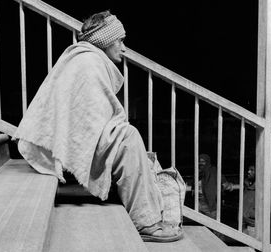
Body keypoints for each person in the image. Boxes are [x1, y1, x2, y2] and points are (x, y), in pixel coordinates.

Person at [13, 10, 183, 242]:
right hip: (59, 150)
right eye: (120, 41)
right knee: (128, 137)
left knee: (128, 141)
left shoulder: (85, 58)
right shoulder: (88, 62)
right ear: (104, 40)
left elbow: (92, 118)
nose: (124, 48)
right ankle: (146, 223)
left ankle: (147, 212)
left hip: (60, 143)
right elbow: (92, 123)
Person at [197, 154, 234, 219]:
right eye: (199, 161)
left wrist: (228, 185)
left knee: (212, 226)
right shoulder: (200, 173)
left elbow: (225, 183)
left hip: (209, 205)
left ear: (207, 162)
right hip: (203, 204)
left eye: (203, 161)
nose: (201, 163)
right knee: (206, 227)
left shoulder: (212, 171)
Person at [242, 164, 271, 237]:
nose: (248, 171)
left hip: (255, 227)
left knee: (255, 247)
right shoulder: (247, 186)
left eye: (252, 170)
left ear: (258, 172)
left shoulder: (262, 187)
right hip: (246, 225)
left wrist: (251, 214)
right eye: (248, 169)